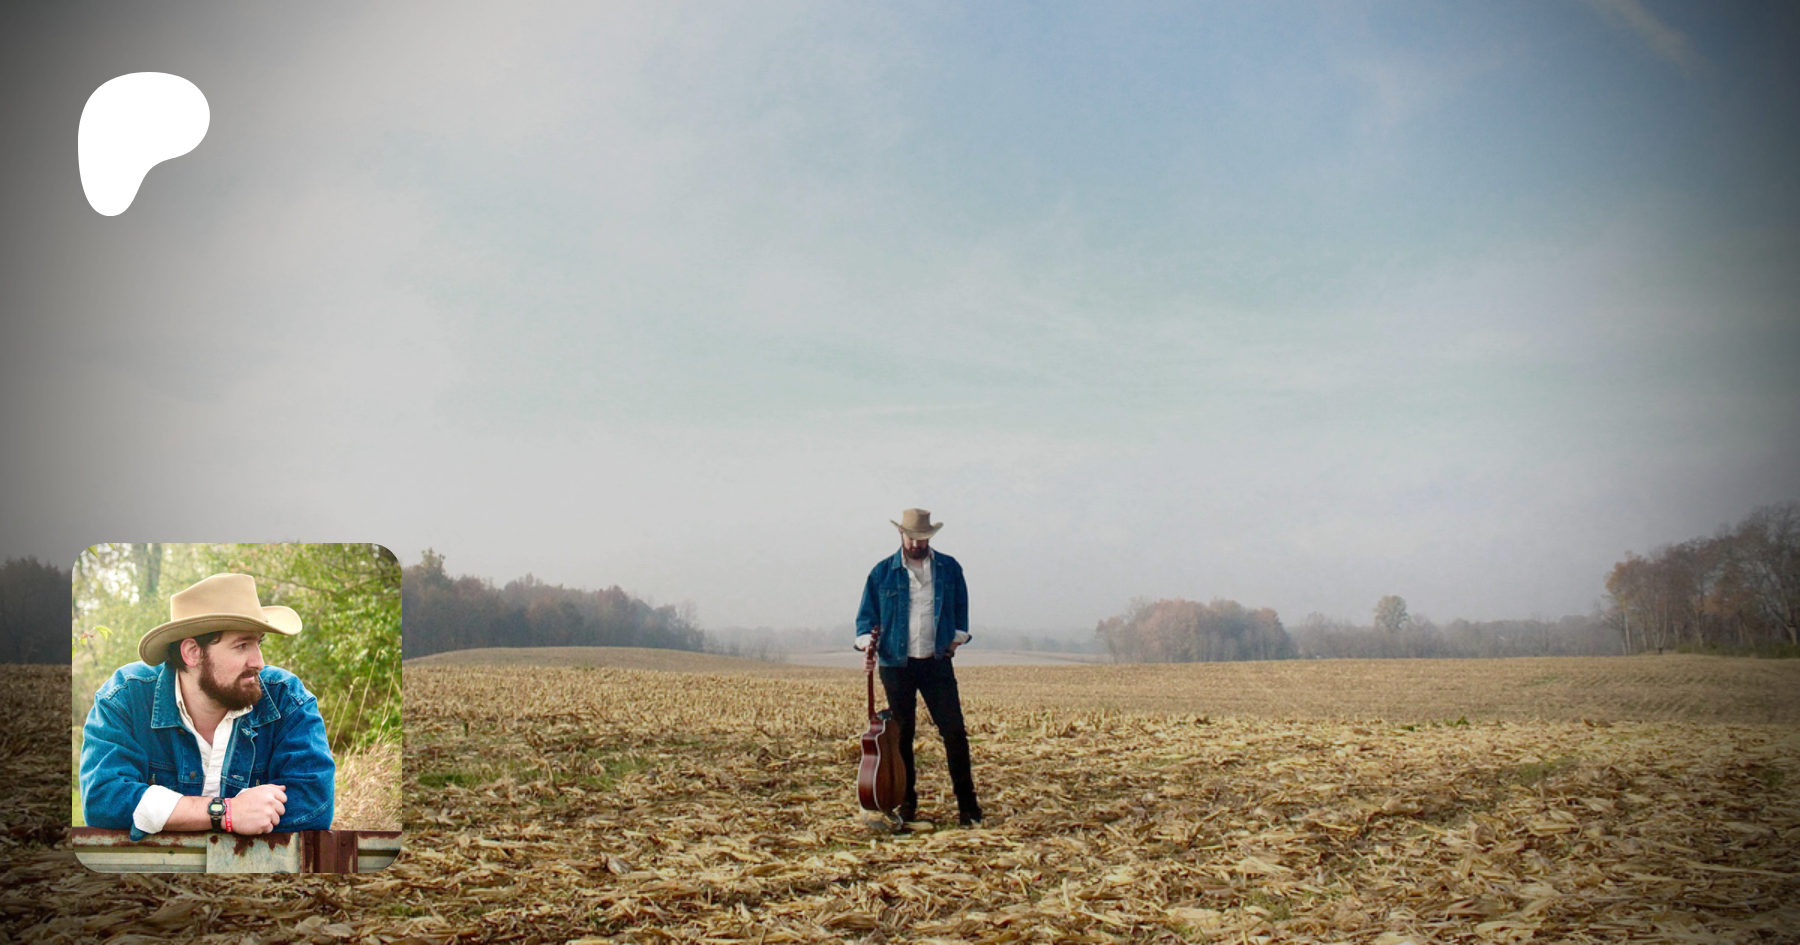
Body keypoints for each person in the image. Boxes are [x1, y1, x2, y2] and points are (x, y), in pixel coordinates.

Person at [80, 572, 336, 842]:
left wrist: (169, 814)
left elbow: (314, 803)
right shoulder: (126, 698)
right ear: (192, 652)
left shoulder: (286, 699)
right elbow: (103, 798)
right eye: (242, 645)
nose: (259, 662)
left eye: (258, 643)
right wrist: (226, 813)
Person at [855, 509, 983, 827]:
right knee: (902, 736)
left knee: (954, 732)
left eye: (922, 538)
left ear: (930, 537)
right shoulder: (881, 573)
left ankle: (968, 808)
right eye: (911, 537)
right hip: (896, 665)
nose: (916, 543)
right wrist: (867, 645)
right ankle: (907, 804)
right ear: (901, 534)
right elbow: (865, 620)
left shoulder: (950, 569)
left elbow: (961, 613)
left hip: (936, 662)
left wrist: (954, 641)